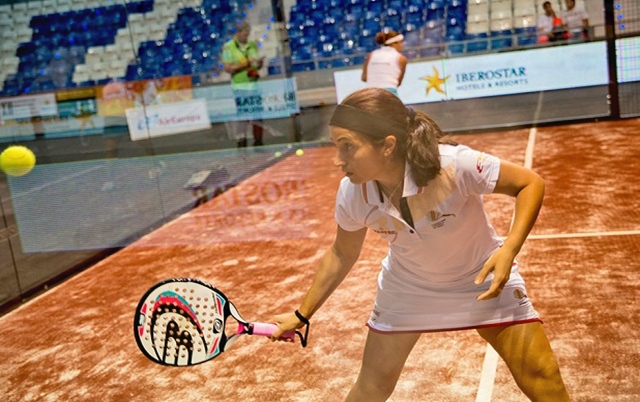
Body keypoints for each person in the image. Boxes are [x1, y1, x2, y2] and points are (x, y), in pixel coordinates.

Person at [271, 88, 571, 401]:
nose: (338, 160)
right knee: (371, 387)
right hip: (408, 289)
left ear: (387, 145)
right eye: (336, 147)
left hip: (481, 280)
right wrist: (302, 314)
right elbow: (341, 253)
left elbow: (529, 183)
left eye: (347, 147)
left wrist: (509, 248)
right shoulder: (352, 193)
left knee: (542, 375)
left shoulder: (454, 165)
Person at [222, 21, 265, 147]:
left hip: (254, 84)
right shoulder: (228, 47)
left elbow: (256, 65)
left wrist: (259, 63)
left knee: (257, 113)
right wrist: (246, 63)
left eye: (247, 35)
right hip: (240, 86)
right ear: (238, 33)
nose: (246, 37)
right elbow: (228, 68)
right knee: (243, 114)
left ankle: (258, 140)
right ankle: (242, 140)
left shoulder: (252, 45)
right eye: (244, 35)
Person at [361, 31, 408, 96]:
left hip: (370, 92)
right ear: (394, 43)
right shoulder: (401, 59)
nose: (402, 45)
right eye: (401, 42)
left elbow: (364, 78)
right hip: (389, 93)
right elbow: (398, 83)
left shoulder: (371, 55)